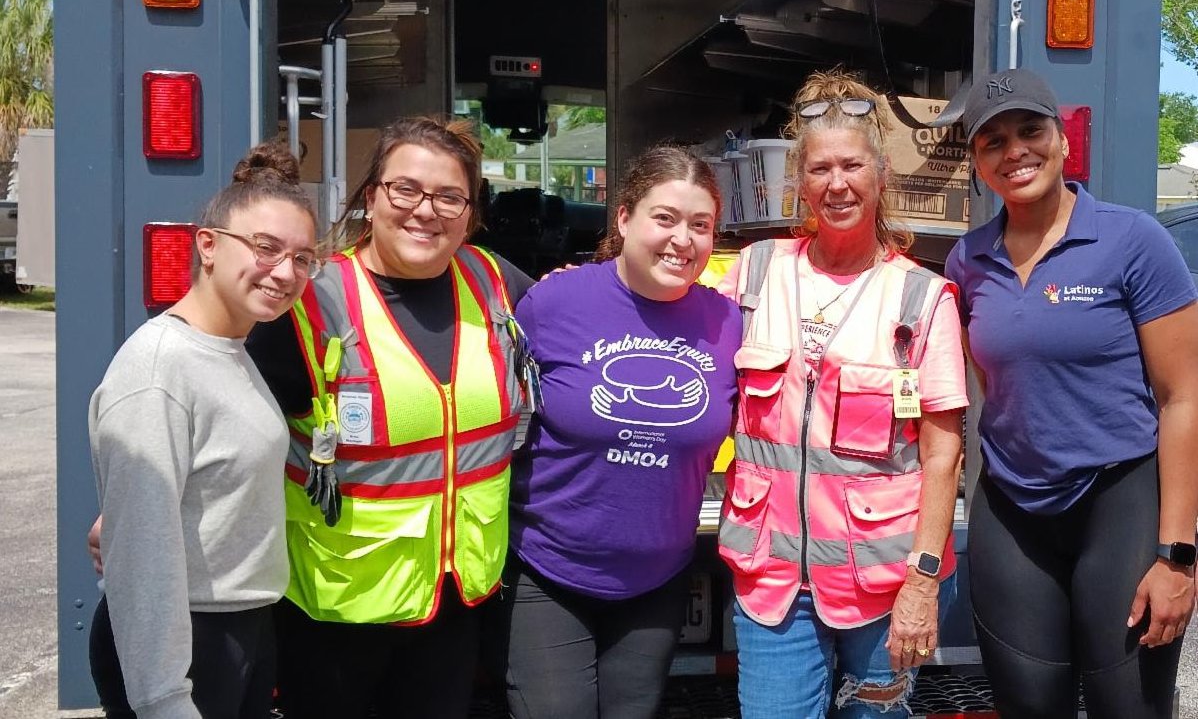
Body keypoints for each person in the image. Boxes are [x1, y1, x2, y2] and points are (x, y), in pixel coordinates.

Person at [244, 116, 535, 719]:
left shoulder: (495, 283)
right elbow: (225, 422)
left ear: (470, 213)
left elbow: (587, 324)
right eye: (406, 189)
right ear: (372, 196)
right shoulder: (311, 299)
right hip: (336, 615)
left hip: (453, 605)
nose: (426, 210)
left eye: (449, 197)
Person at [945, 68, 1198, 718]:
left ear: (1062, 139)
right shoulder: (966, 261)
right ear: (976, 161)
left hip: (1119, 502)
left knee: (1127, 707)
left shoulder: (1132, 240)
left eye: (1030, 131)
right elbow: (992, 386)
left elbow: (1183, 397)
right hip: (1012, 510)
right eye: (993, 141)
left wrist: (1178, 555)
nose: (1015, 151)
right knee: (1028, 706)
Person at [716, 70, 968, 718]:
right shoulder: (754, 272)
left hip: (886, 588)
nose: (837, 184)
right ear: (799, 181)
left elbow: (943, 455)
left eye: (852, 165)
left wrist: (923, 580)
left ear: (881, 175)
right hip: (773, 585)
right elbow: (677, 338)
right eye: (820, 168)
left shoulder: (922, 297)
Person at [502, 146, 741, 718]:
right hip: (547, 572)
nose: (682, 240)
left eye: (700, 225)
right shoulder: (554, 301)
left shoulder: (728, 321)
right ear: (624, 219)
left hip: (657, 580)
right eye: (665, 218)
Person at [88, 141, 319, 719]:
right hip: (184, 643)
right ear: (208, 245)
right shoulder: (160, 368)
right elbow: (142, 553)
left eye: (303, 258)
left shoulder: (232, 351)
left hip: (241, 627)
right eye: (266, 248)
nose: (285, 272)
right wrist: (164, 698)